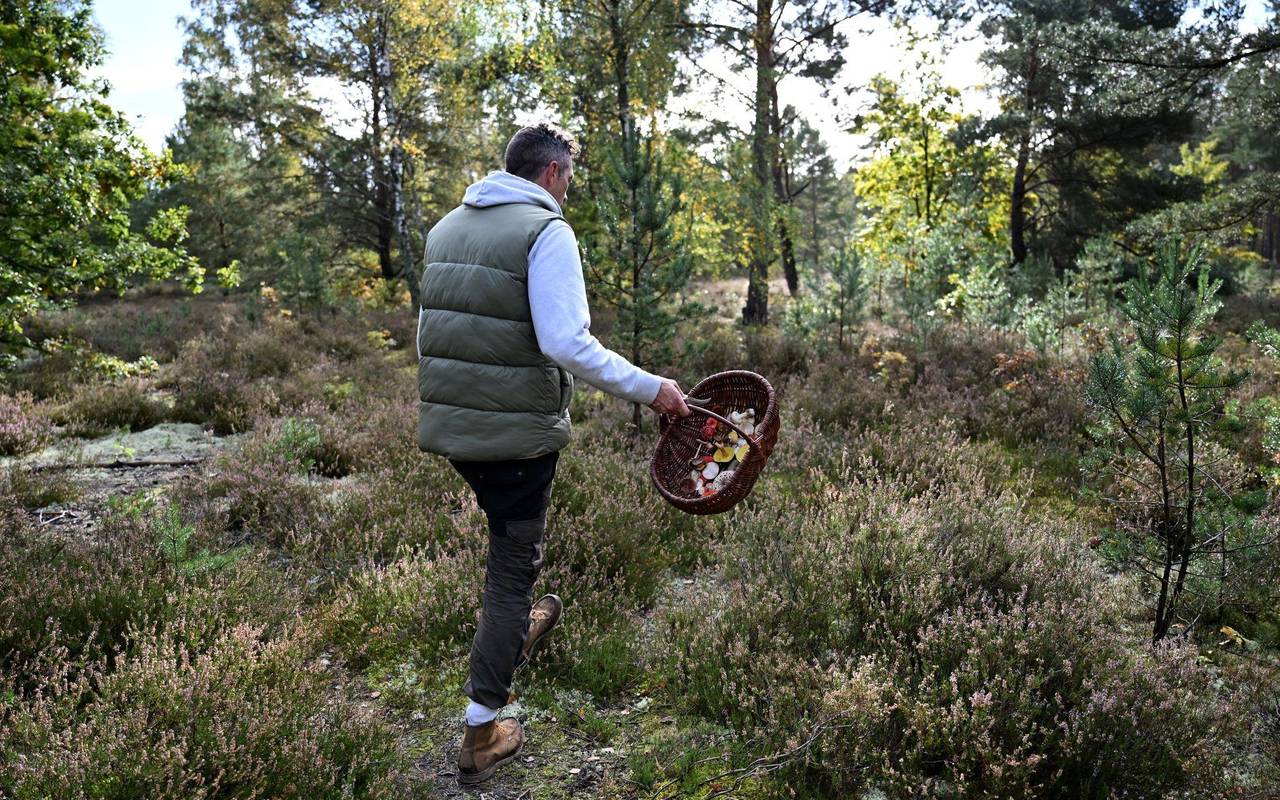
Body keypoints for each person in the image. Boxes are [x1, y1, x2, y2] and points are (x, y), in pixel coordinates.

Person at [415, 122, 692, 784]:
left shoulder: (447, 228)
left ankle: (516, 629)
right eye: (569, 177)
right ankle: (480, 733)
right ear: (551, 174)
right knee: (511, 571)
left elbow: (432, 330)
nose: (569, 189)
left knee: (507, 551)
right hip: (513, 437)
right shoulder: (546, 231)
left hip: (456, 428)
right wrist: (654, 390)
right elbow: (567, 342)